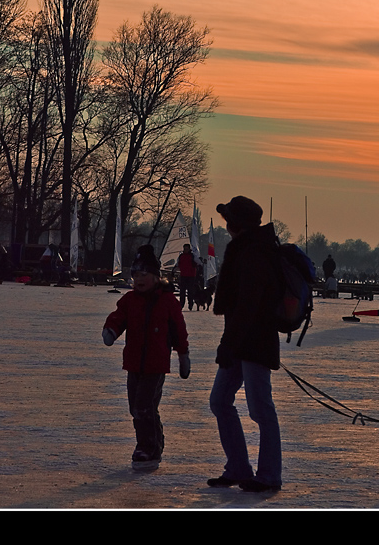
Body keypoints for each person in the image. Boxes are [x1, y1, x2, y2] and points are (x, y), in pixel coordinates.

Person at [208, 196, 284, 492]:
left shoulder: (255, 251)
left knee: (261, 409)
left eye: (228, 220)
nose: (226, 226)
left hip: (255, 341)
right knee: (220, 401)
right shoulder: (247, 248)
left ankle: (269, 475)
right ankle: (239, 467)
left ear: (236, 224)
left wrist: (230, 343)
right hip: (241, 341)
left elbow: (249, 305)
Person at [102, 244, 190, 465]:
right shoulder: (130, 300)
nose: (139, 279)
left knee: (144, 404)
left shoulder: (167, 301)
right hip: (133, 362)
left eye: (145, 275)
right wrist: (111, 330)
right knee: (136, 406)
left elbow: (178, 330)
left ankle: (147, 446)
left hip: (155, 364)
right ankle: (155, 439)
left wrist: (183, 355)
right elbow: (118, 316)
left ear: (155, 277)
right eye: (136, 275)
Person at [174, 243, 200, 311]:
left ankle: (190, 304)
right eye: (184, 249)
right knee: (182, 291)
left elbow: (198, 262)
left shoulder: (193, 256)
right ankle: (181, 304)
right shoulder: (181, 256)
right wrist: (174, 270)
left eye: (186, 249)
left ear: (189, 249)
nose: (185, 250)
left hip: (191, 276)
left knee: (190, 291)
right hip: (183, 275)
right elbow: (177, 264)